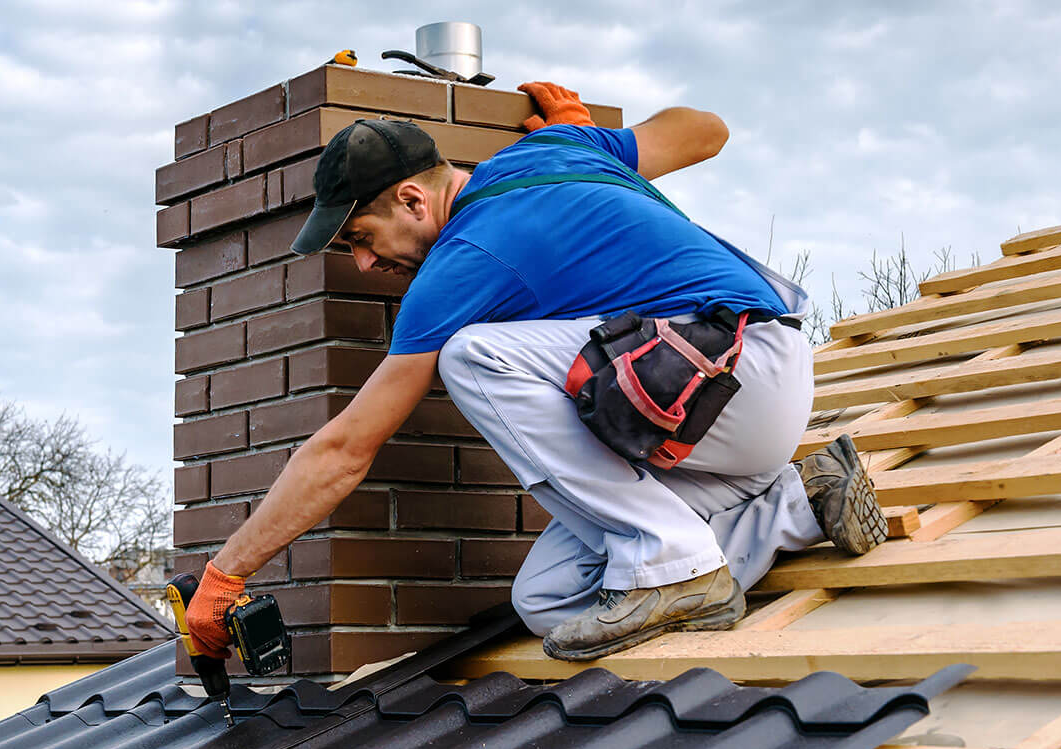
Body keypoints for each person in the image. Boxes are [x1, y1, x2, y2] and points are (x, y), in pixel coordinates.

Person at [185, 82, 884, 665]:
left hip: (734, 372)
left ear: (410, 200)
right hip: (721, 418)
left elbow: (346, 449)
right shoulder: (559, 147)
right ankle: (800, 504)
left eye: (360, 239)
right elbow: (707, 129)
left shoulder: (463, 261)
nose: (365, 266)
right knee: (548, 600)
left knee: (474, 354)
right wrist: (598, 145)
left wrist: (228, 572)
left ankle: (675, 561)